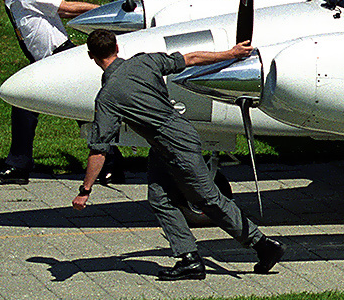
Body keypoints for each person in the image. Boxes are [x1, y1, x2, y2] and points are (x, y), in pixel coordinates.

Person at [75, 29, 284, 281]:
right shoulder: (145, 61)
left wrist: (85, 190)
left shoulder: (108, 97)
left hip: (176, 145)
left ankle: (263, 245)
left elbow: (99, 150)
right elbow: (192, 58)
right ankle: (189, 260)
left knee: (208, 200)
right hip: (167, 144)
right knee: (159, 198)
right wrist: (231, 53)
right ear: (117, 47)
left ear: (91, 56)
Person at [0, 0, 99, 184]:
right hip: (45, 62)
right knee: (79, 113)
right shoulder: (12, 1)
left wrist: (104, 10)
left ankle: (19, 166)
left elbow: (65, 8)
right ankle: (110, 165)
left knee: (30, 104)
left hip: (60, 58)